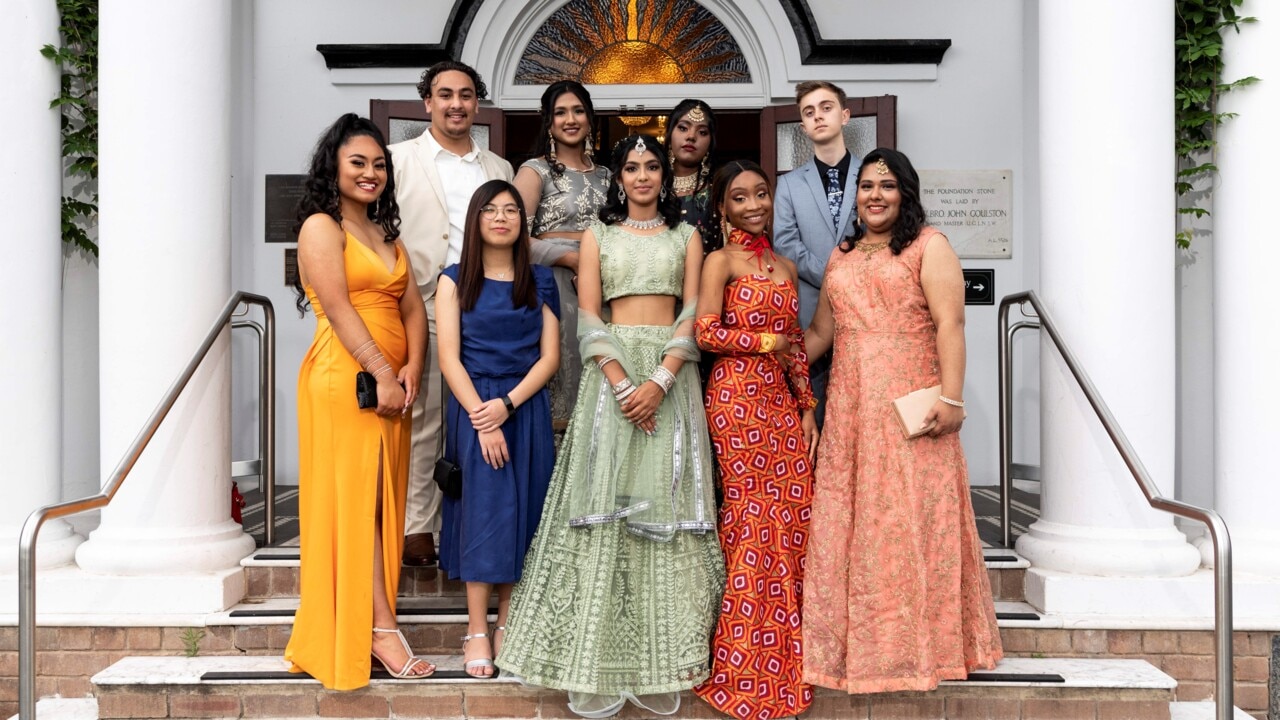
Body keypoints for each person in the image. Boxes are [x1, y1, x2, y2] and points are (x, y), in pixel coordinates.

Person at [496, 134, 725, 719]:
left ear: (662, 173)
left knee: (664, 503)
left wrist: (662, 381)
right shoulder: (598, 235)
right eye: (632, 166)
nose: (643, 175)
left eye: (652, 166)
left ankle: (667, 651)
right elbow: (590, 314)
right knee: (606, 502)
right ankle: (596, 650)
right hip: (611, 375)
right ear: (617, 176)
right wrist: (625, 383)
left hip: (672, 379)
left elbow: (693, 311)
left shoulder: (687, 235)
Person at [801, 148, 1003, 693]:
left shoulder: (928, 245)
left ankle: (924, 651)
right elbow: (822, 334)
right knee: (854, 524)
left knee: (912, 521)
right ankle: (851, 651)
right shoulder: (841, 256)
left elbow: (950, 324)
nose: (874, 195)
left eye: (886, 186)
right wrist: (763, 348)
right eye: (866, 186)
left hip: (910, 405)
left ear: (905, 192)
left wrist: (953, 400)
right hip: (850, 407)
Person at [284, 114, 432, 689]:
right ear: (334, 167)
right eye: (358, 163)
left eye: (379, 165)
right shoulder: (322, 227)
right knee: (358, 501)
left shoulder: (384, 233)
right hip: (345, 379)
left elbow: (413, 307)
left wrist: (414, 366)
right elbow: (341, 309)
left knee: (378, 503)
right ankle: (381, 630)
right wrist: (382, 371)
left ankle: (369, 621)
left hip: (393, 382)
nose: (371, 173)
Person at [693, 161, 819, 719]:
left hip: (783, 405)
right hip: (736, 398)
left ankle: (790, 658)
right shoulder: (719, 261)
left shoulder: (787, 268)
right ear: (721, 207)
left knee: (793, 518)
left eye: (761, 194)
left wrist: (809, 409)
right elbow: (704, 331)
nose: (753, 204)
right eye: (739, 197)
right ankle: (743, 662)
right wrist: (760, 338)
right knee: (750, 521)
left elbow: (795, 349)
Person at [390, 60, 515, 568]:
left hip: (484, 304)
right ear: (428, 102)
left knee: (477, 414)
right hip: (421, 302)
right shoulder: (398, 159)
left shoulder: (499, 169)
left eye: (465, 95)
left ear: (477, 103)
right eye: (445, 95)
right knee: (423, 416)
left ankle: (467, 521)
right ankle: (416, 525)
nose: (456, 104)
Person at [435, 179, 561, 677]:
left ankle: (509, 622)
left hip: (523, 406)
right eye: (491, 210)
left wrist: (508, 405)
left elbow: (550, 358)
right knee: (484, 513)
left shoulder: (541, 280)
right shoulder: (453, 279)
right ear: (476, 220)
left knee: (524, 509)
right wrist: (483, 418)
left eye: (511, 210)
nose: (503, 217)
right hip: (473, 408)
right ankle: (476, 630)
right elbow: (448, 357)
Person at [514, 80, 611, 423]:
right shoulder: (534, 171)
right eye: (560, 113)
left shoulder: (609, 176)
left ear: (590, 118)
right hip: (554, 283)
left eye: (578, 111)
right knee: (562, 372)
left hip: (602, 284)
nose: (570, 119)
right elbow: (513, 238)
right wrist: (569, 257)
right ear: (549, 122)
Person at [772, 80, 859, 426]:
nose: (818, 116)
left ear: (845, 115)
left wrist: (856, 279)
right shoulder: (790, 183)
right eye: (809, 112)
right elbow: (786, 244)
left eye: (826, 107)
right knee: (815, 414)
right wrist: (836, 277)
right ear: (803, 126)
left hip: (865, 310)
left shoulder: (871, 174)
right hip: (810, 313)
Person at [663, 99, 717, 252]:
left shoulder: (719, 191)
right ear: (669, 134)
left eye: (702, 132)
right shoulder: (650, 186)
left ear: (710, 143)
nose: (691, 136)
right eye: (683, 128)